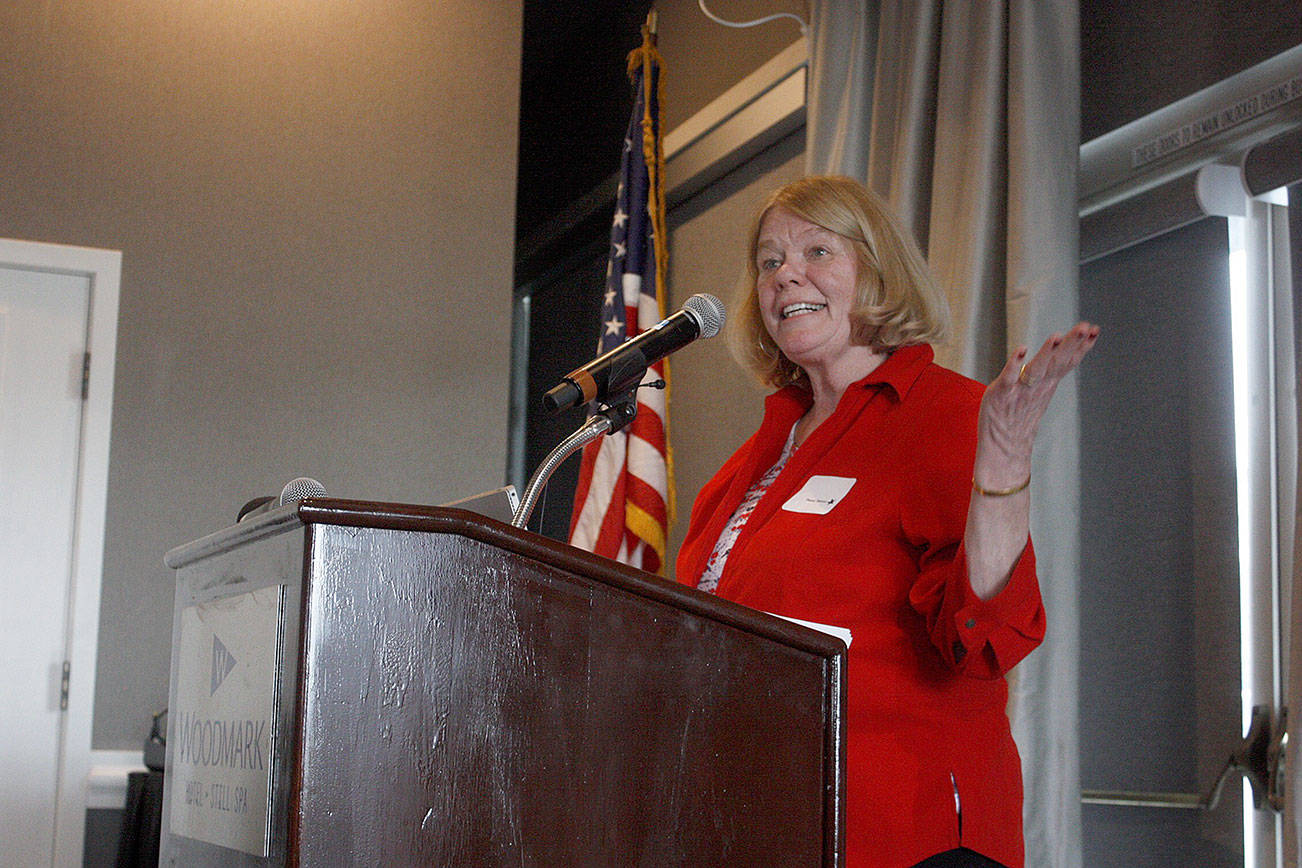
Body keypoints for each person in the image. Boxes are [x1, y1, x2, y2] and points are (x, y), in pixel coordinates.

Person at [675, 175, 1098, 868]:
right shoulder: (748, 463)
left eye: (817, 251)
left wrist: (1005, 459)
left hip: (907, 834)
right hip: (769, 823)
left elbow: (985, 632)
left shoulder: (945, 414)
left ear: (878, 270)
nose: (786, 277)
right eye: (769, 262)